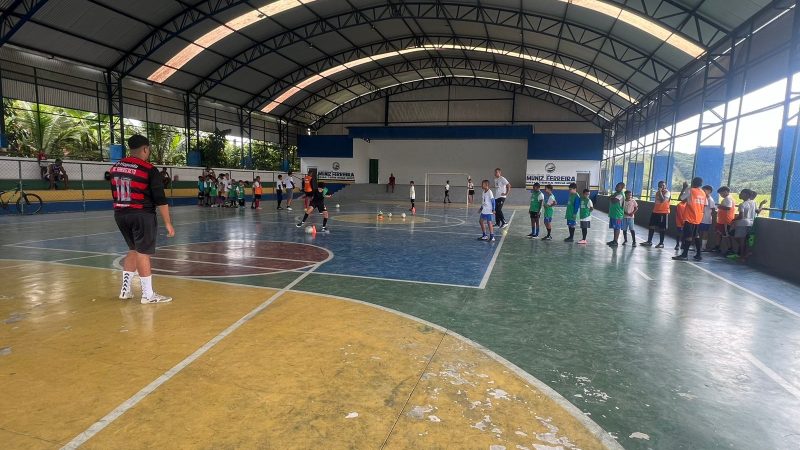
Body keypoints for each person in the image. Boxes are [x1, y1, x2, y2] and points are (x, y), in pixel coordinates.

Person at [110, 135, 174, 304]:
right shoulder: (148, 169)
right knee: (143, 253)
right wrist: (168, 223)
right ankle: (148, 295)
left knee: (133, 249)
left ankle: (125, 291)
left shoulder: (116, 167)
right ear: (145, 149)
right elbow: (160, 199)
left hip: (120, 214)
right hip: (141, 214)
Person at [673, 178, 707, 261]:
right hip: (698, 217)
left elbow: (680, 199)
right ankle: (698, 254)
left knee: (688, 236)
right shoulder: (703, 193)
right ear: (701, 184)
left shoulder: (690, 190)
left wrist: (684, 187)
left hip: (689, 217)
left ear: (693, 183)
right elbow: (705, 205)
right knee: (696, 235)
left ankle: (684, 255)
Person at [641, 181, 670, 248]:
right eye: (660, 186)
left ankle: (661, 243)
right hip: (655, 211)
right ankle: (649, 241)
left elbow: (663, 200)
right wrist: (659, 192)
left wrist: (660, 192)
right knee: (651, 226)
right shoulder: (657, 193)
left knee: (662, 228)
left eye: (663, 185)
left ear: (665, 186)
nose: (661, 187)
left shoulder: (667, 192)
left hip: (663, 212)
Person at [732, 189, 756, 260]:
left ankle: (742, 255)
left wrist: (733, 220)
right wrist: (761, 204)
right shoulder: (753, 202)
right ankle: (746, 251)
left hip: (742, 223)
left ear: (747, 195)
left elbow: (741, 216)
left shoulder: (742, 204)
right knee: (744, 239)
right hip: (751, 223)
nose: (740, 194)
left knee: (740, 239)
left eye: (742, 193)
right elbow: (757, 211)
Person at [714, 186, 735, 254]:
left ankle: (730, 249)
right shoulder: (727, 198)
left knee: (726, 236)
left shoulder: (728, 199)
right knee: (718, 233)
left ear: (726, 191)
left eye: (721, 193)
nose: (721, 195)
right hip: (721, 220)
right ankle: (717, 247)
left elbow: (728, 208)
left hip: (725, 221)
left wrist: (719, 206)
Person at [606, 182, 625, 247]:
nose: (616, 188)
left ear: (622, 188)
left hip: (618, 215)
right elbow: (608, 198)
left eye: (618, 187)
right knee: (615, 227)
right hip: (613, 214)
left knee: (617, 228)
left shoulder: (621, 195)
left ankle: (616, 241)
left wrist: (612, 197)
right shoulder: (616, 193)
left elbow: (614, 201)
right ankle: (614, 240)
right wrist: (612, 197)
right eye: (616, 186)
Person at [700, 185, 715, 251]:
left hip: (706, 219)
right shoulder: (703, 198)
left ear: (709, 191)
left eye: (704, 190)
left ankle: (703, 247)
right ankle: (698, 245)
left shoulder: (710, 200)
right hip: (700, 218)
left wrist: (713, 219)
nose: (702, 191)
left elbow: (713, 210)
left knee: (705, 232)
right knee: (699, 232)